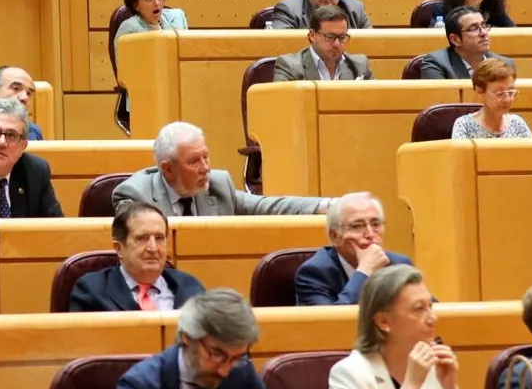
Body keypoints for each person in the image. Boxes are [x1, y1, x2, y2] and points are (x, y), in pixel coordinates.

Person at [103, 290, 286, 389]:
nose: (224, 371)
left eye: (236, 358)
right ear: (187, 337)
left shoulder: (241, 374)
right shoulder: (141, 384)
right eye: (217, 354)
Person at [328, 264, 473, 389]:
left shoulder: (433, 368)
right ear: (384, 322)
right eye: (419, 309)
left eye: (430, 307)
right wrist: (410, 387)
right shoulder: (349, 375)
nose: (433, 318)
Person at [112, 121, 327, 217]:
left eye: (206, 157)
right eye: (194, 161)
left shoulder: (218, 184)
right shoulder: (135, 195)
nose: (205, 168)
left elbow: (269, 207)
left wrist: (328, 205)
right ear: (168, 170)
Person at [71, 202, 205, 313]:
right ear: (119, 248)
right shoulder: (91, 291)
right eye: (142, 238)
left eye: (159, 238)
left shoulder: (191, 289)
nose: (153, 248)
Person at [295, 192, 413, 306]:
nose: (370, 234)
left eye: (376, 224)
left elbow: (428, 310)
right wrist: (364, 271)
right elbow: (332, 323)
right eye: (357, 226)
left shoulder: (399, 265)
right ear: (335, 236)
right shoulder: (314, 273)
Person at [272, 6, 374, 82]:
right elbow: (281, 104)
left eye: (342, 37)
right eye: (330, 37)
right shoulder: (289, 67)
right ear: (312, 35)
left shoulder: (359, 66)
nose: (337, 44)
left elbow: (376, 103)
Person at [416, 7, 510, 80]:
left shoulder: (505, 64)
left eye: (484, 26)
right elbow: (442, 102)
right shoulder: (436, 64)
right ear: (455, 39)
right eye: (474, 28)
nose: (484, 33)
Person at [451, 58, 532, 139]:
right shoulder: (464, 126)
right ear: (479, 90)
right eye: (500, 93)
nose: (507, 99)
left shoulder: (517, 123)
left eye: (510, 92)